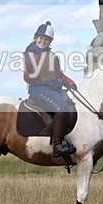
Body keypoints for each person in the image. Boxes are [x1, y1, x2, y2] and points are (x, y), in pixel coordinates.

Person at [23, 21, 78, 159]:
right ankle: (57, 146)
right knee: (61, 108)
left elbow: (60, 75)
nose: (43, 41)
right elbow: (27, 77)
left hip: (54, 89)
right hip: (39, 89)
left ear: (49, 42)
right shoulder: (30, 54)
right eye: (41, 38)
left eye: (46, 39)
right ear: (36, 38)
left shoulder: (53, 56)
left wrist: (70, 83)